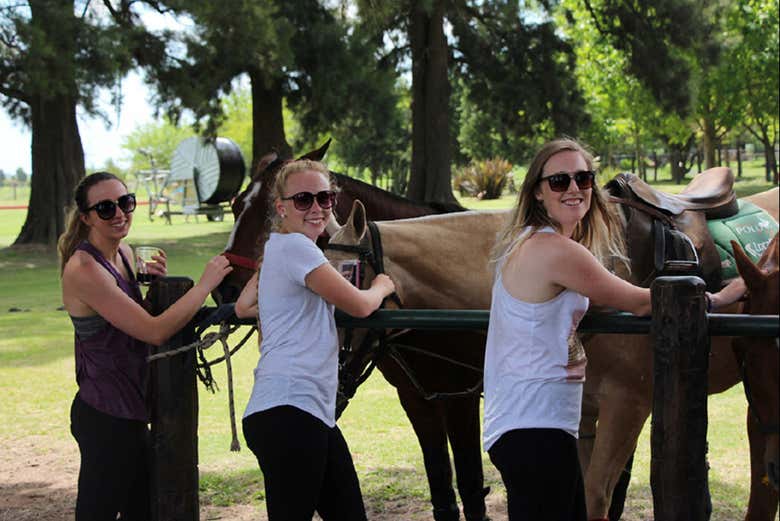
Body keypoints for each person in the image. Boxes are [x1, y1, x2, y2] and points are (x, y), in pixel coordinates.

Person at [58, 171, 232, 521]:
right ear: (87, 217)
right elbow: (153, 332)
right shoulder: (84, 268)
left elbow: (131, 321)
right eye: (106, 208)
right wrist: (204, 286)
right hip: (105, 414)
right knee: (98, 512)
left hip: (130, 410)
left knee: (142, 510)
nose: (120, 212)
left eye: (126, 202)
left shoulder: (123, 253)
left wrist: (155, 286)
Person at [234, 159, 395, 520]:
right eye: (303, 200)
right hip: (292, 410)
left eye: (325, 198)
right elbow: (358, 305)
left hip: (300, 411)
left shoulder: (277, 249)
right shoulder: (298, 250)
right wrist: (381, 287)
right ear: (281, 207)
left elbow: (244, 307)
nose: (318, 208)